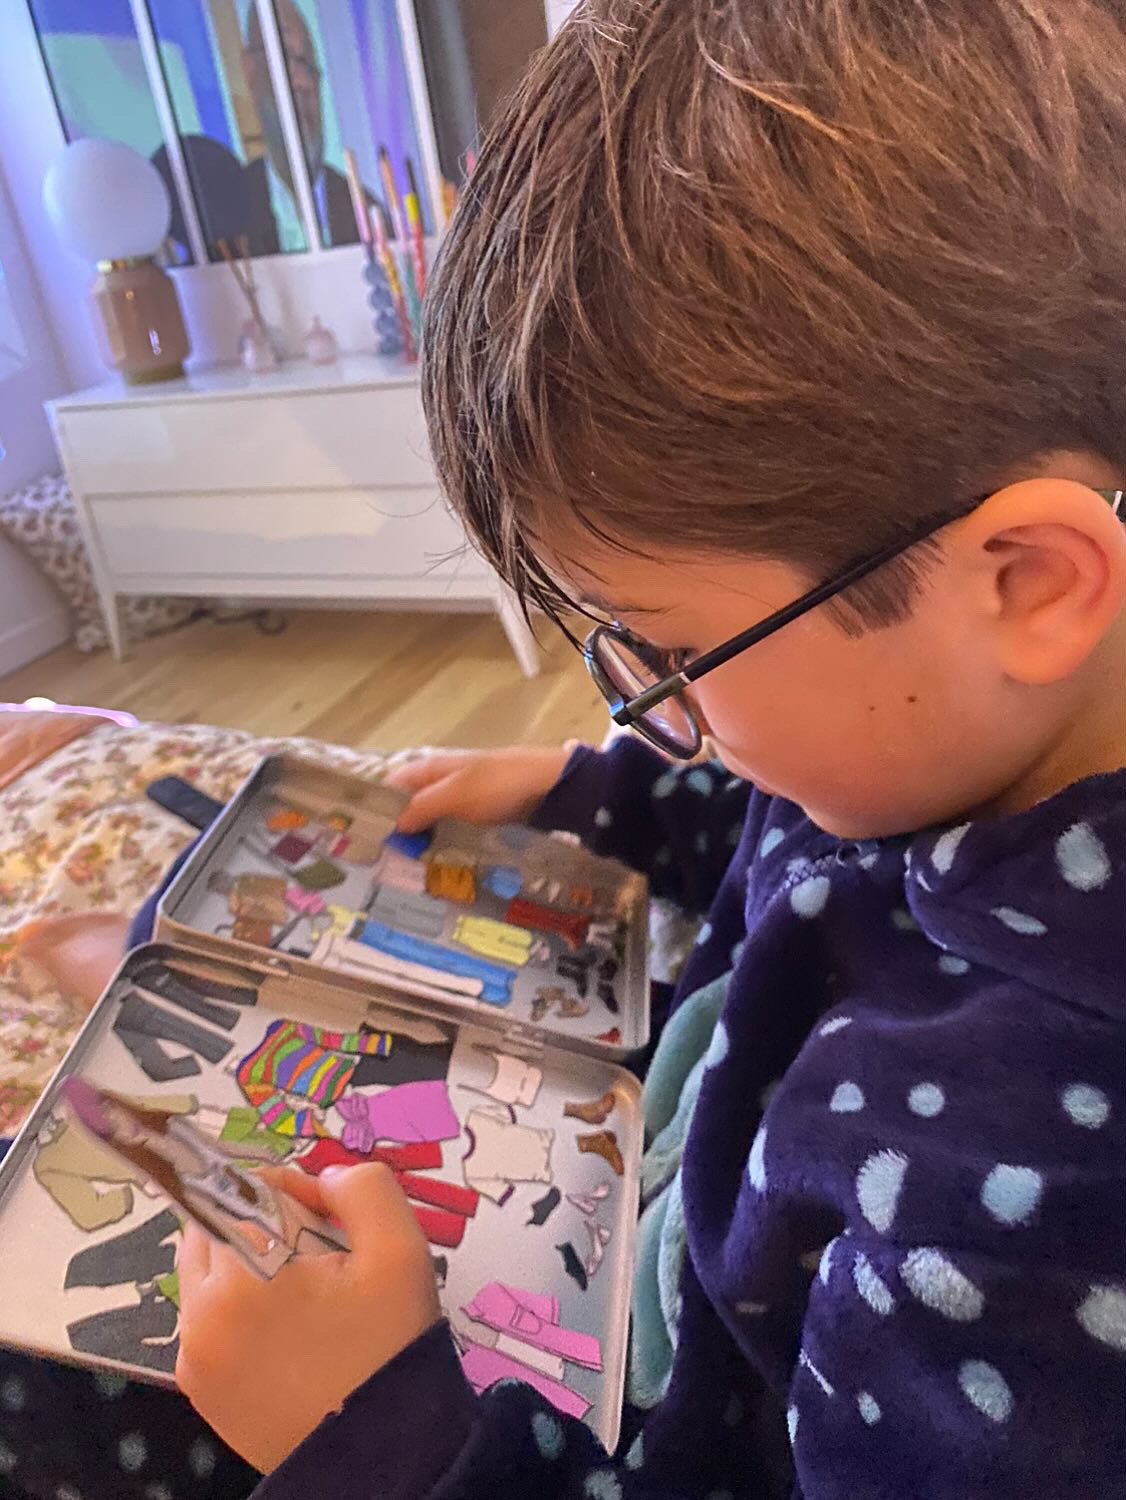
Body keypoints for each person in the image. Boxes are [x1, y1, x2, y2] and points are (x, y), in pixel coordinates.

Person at [190, 0, 1126, 1495]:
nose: (636, 698)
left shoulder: (1028, 1209)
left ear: (1027, 585)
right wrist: (592, 790)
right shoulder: (953, 729)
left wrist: (382, 1442)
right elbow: (797, 823)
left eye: (673, 659)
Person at [155, 0, 383, 258]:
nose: (302, 82)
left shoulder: (363, 208)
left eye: (308, 64)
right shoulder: (226, 215)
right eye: (286, 59)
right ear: (250, 71)